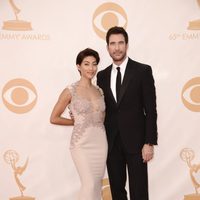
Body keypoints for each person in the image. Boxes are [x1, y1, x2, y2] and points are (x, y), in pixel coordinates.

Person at [97, 26, 158, 200]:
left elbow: (151, 110)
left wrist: (149, 142)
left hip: (137, 144)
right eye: (112, 44)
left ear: (127, 45)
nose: (117, 48)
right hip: (111, 143)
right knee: (117, 191)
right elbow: (101, 108)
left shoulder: (142, 71)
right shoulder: (101, 75)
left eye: (120, 43)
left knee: (139, 191)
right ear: (107, 47)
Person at [50, 48, 108, 200]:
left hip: (100, 143)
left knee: (95, 185)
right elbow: (54, 118)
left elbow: (102, 118)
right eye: (86, 64)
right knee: (89, 184)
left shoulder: (100, 91)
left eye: (94, 64)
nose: (91, 68)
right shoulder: (70, 90)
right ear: (78, 66)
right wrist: (74, 122)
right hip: (81, 144)